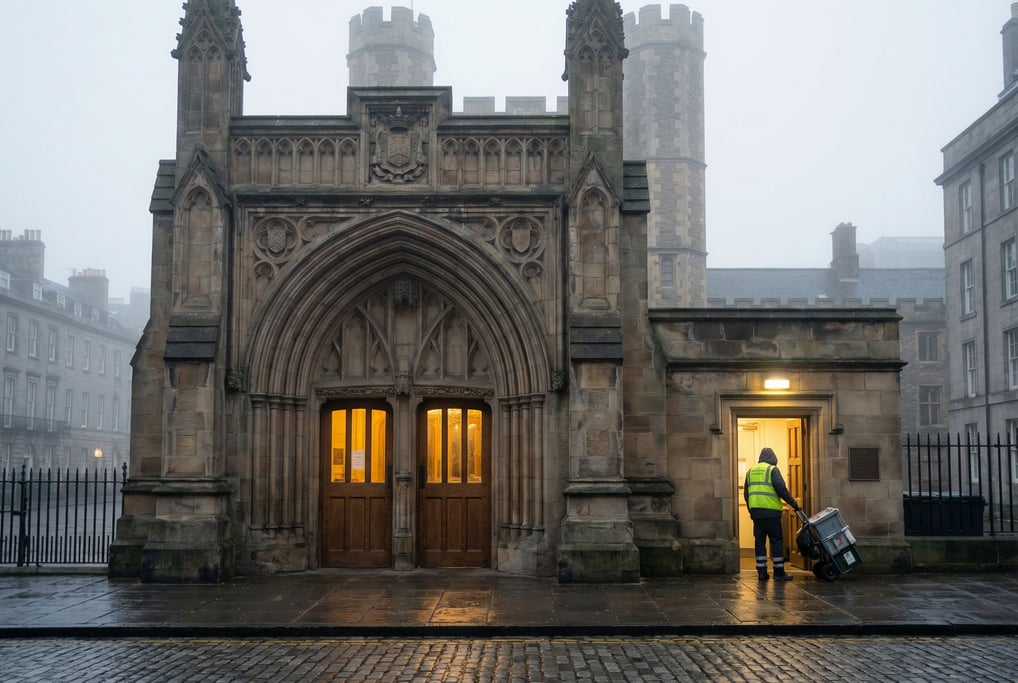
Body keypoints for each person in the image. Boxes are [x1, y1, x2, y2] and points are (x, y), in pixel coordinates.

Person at [744, 447, 801, 581]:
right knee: (776, 541)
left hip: (757, 514)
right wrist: (794, 504)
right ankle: (779, 572)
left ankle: (762, 573)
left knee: (759, 542)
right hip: (771, 514)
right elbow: (781, 489)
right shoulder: (772, 470)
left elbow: (746, 494)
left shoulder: (750, 471)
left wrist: (751, 510)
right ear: (773, 459)